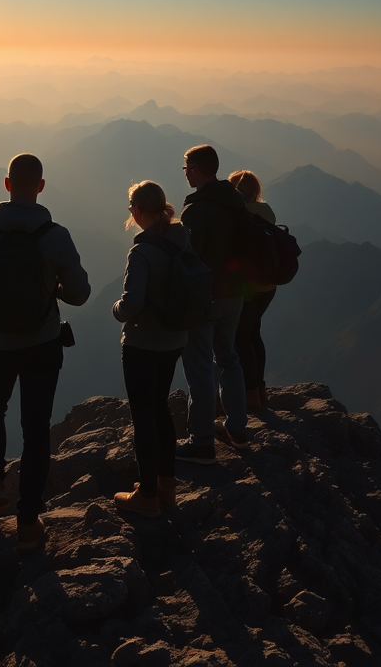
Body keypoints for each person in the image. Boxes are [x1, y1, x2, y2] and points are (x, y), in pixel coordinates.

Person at [0, 152, 90, 552]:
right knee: (35, 429)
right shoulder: (56, 235)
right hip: (43, 344)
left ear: (7, 184)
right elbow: (80, 294)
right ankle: (29, 522)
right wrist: (53, 288)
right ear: (41, 187)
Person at [111, 181, 190, 518]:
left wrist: (115, 309)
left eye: (131, 207)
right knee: (160, 409)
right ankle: (168, 486)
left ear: (139, 210)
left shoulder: (141, 251)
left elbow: (132, 303)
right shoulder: (182, 238)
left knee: (143, 417)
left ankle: (147, 495)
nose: (130, 212)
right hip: (175, 339)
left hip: (143, 344)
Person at [178, 143, 249, 461]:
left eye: (186, 168)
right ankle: (238, 427)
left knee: (200, 368)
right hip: (235, 293)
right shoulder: (236, 202)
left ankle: (201, 440)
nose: (185, 174)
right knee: (229, 358)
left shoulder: (196, 209)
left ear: (195, 169)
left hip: (205, 297)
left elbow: (189, 257)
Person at [228, 169, 277, 411]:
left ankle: (251, 395)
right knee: (254, 334)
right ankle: (260, 389)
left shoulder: (238, 214)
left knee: (241, 338)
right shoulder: (266, 212)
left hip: (248, 286)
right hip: (269, 284)